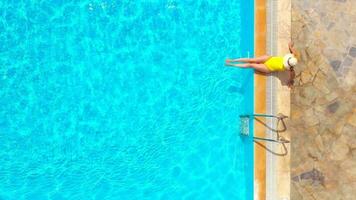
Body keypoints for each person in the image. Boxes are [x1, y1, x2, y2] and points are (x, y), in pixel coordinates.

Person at [225, 42, 298, 87]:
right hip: (269, 59)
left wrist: (290, 81)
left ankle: (232, 65)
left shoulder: (291, 69)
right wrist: (290, 46)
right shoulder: (293, 57)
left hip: (267, 67)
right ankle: (233, 60)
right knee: (251, 60)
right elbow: (292, 50)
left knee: (251, 65)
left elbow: (292, 76)